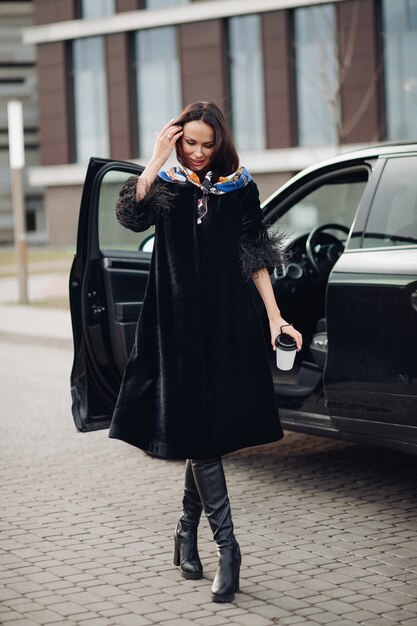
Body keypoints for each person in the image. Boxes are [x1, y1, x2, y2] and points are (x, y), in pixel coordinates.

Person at [109, 101, 302, 603]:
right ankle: (228, 548)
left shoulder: (240, 186)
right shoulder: (168, 184)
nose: (196, 153)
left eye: (205, 144)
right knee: (202, 431)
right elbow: (130, 216)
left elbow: (256, 255)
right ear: (177, 140)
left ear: (220, 142)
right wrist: (154, 159)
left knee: (204, 430)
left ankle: (184, 532)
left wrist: (276, 316)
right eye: (188, 143)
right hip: (175, 325)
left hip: (225, 324)